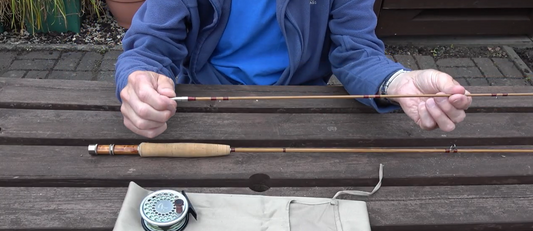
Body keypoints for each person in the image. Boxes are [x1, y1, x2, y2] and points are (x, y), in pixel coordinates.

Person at [115, 0, 472, 138]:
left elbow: (357, 52)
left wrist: (398, 81)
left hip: (305, 113)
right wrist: (139, 80)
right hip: (203, 110)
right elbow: (148, 45)